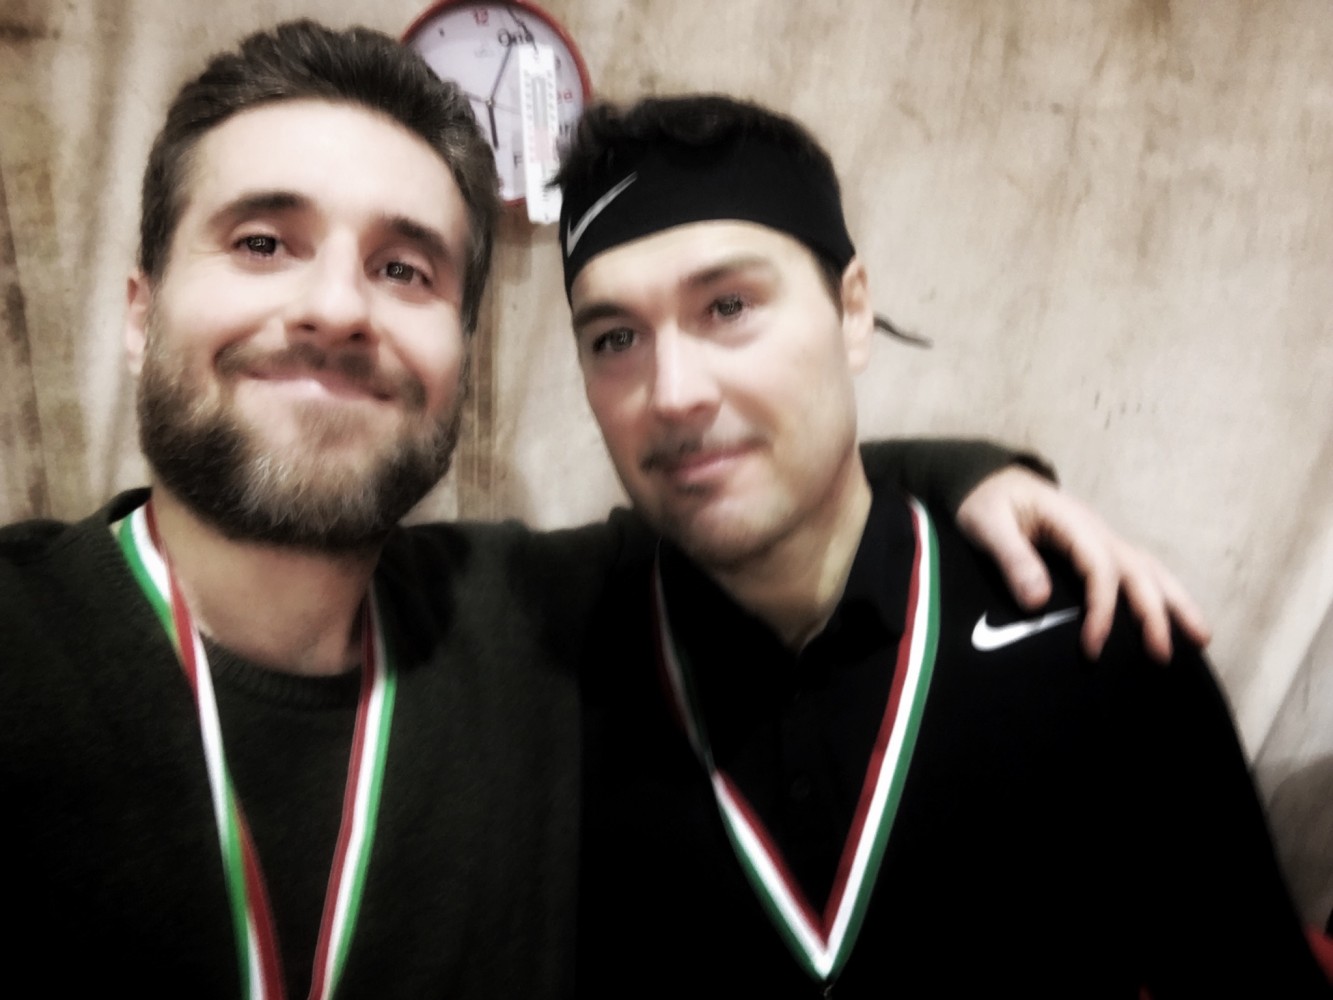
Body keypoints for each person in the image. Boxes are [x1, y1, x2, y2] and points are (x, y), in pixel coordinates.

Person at [0, 21, 1206, 998]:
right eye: (264, 241)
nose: (337, 309)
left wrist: (975, 473)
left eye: (404, 268)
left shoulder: (518, 617)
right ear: (139, 313)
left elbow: (769, 480)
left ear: (459, 357)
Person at [559, 95, 1331, 996]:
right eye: (614, 338)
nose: (672, 392)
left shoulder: (1094, 639)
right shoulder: (554, 686)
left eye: (728, 306)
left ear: (853, 312)